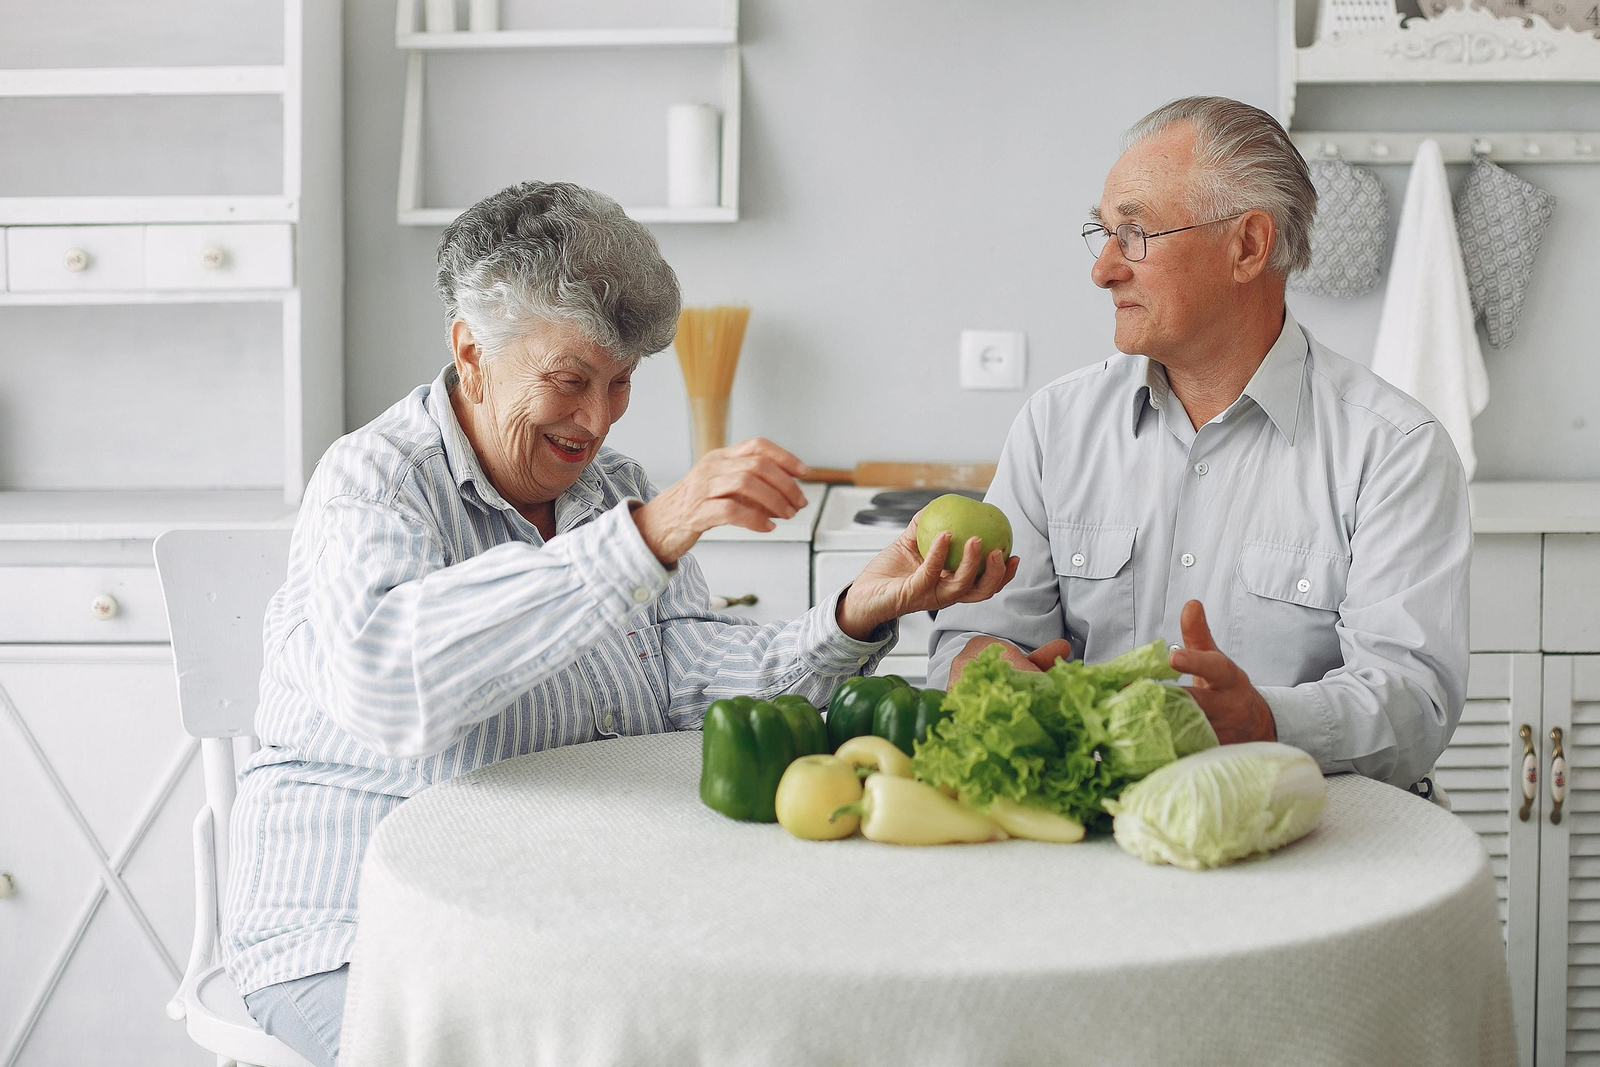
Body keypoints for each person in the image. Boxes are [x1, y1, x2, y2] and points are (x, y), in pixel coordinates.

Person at [227, 181, 1018, 1066]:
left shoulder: (612, 488)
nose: (597, 421)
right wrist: (644, 539)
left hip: (554, 919)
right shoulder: (372, 482)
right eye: (569, 381)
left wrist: (849, 618)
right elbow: (388, 686)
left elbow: (693, 685)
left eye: (621, 383)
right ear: (472, 352)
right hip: (356, 929)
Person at [928, 96, 1470, 795]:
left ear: (1247, 246)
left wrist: (1264, 719)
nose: (1104, 269)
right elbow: (975, 639)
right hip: (1089, 842)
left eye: (1137, 233)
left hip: (1308, 848)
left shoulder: (1395, 451)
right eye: (1104, 232)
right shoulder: (1053, 427)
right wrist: (981, 662)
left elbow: (1414, 706)